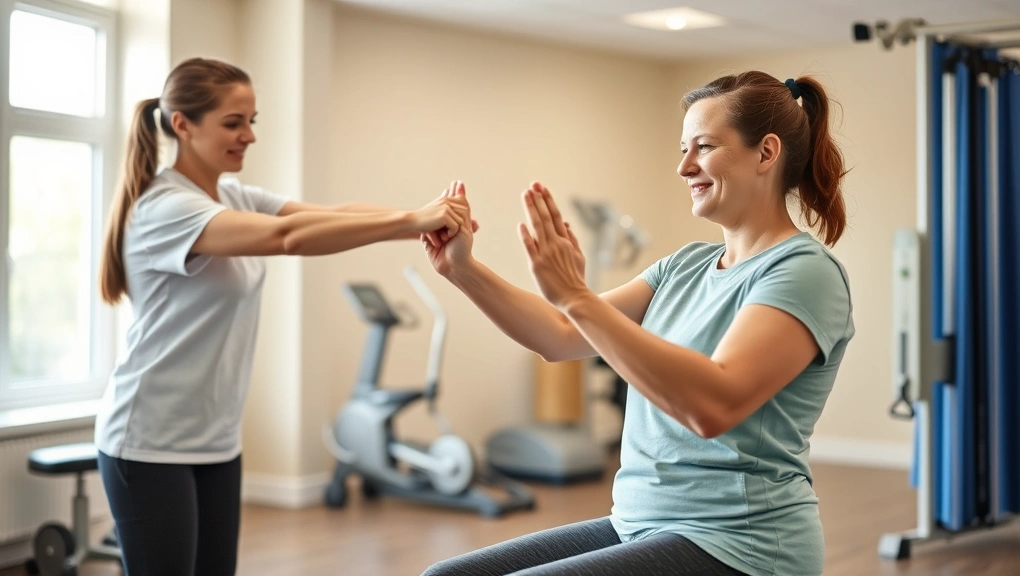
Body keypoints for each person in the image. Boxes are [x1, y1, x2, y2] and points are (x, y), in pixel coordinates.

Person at [421, 71, 855, 576]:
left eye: (704, 147)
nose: (684, 167)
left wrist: (578, 297)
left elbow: (714, 405)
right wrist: (462, 269)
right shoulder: (684, 265)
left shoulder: (803, 273)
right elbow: (560, 335)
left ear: (766, 153)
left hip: (738, 544)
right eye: (683, 149)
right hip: (639, 523)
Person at [93, 57, 471, 576]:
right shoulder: (164, 207)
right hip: (147, 442)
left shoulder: (231, 195)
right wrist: (412, 220)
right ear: (183, 124)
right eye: (233, 123)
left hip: (215, 440)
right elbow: (287, 238)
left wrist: (422, 221)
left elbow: (327, 216)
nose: (249, 135)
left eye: (251, 121)